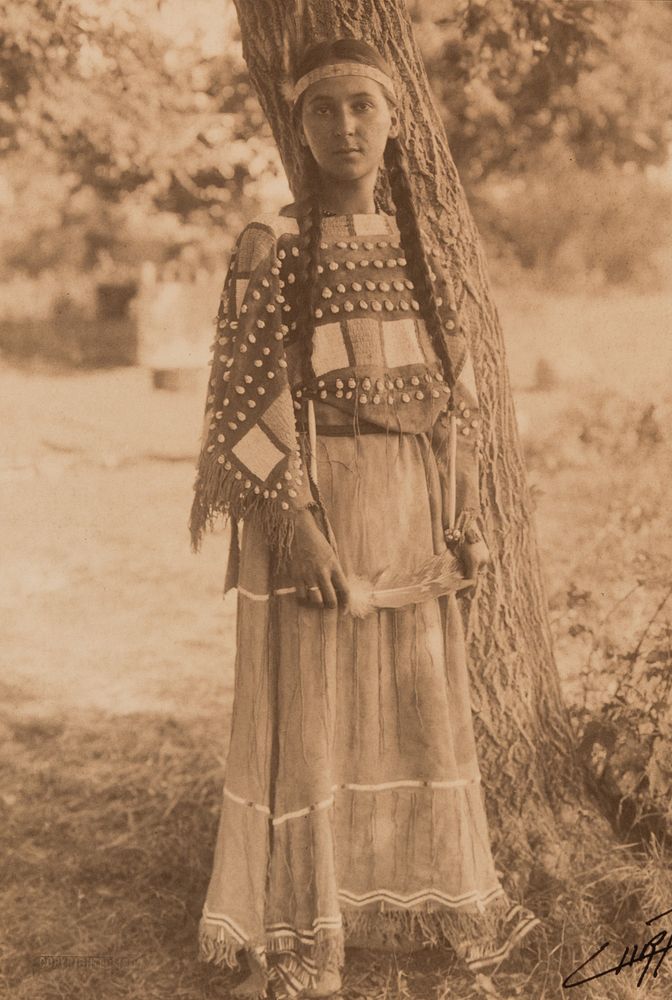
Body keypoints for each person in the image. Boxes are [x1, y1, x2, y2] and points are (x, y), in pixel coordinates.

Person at [190, 36, 539, 1000]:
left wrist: (464, 517)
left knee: (416, 703)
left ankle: (422, 907)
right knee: (317, 705)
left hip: (411, 510)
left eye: (363, 107)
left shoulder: (423, 256)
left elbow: (454, 407)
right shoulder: (275, 247)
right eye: (324, 110)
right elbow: (243, 412)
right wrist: (297, 525)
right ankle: (309, 932)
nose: (346, 126)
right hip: (319, 505)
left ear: (393, 122)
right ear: (298, 127)